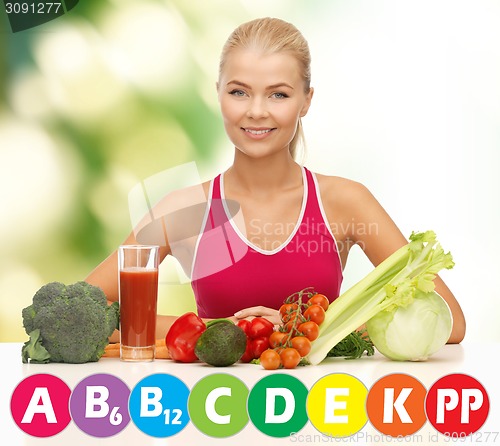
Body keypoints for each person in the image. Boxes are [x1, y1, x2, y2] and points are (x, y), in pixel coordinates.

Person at [86, 17, 466, 344]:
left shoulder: (344, 201)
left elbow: (449, 320)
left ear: (306, 101)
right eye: (239, 92)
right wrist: (216, 331)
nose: (256, 111)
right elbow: (88, 311)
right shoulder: (187, 210)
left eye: (278, 95)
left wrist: (304, 331)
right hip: (213, 411)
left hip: (320, 410)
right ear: (217, 94)